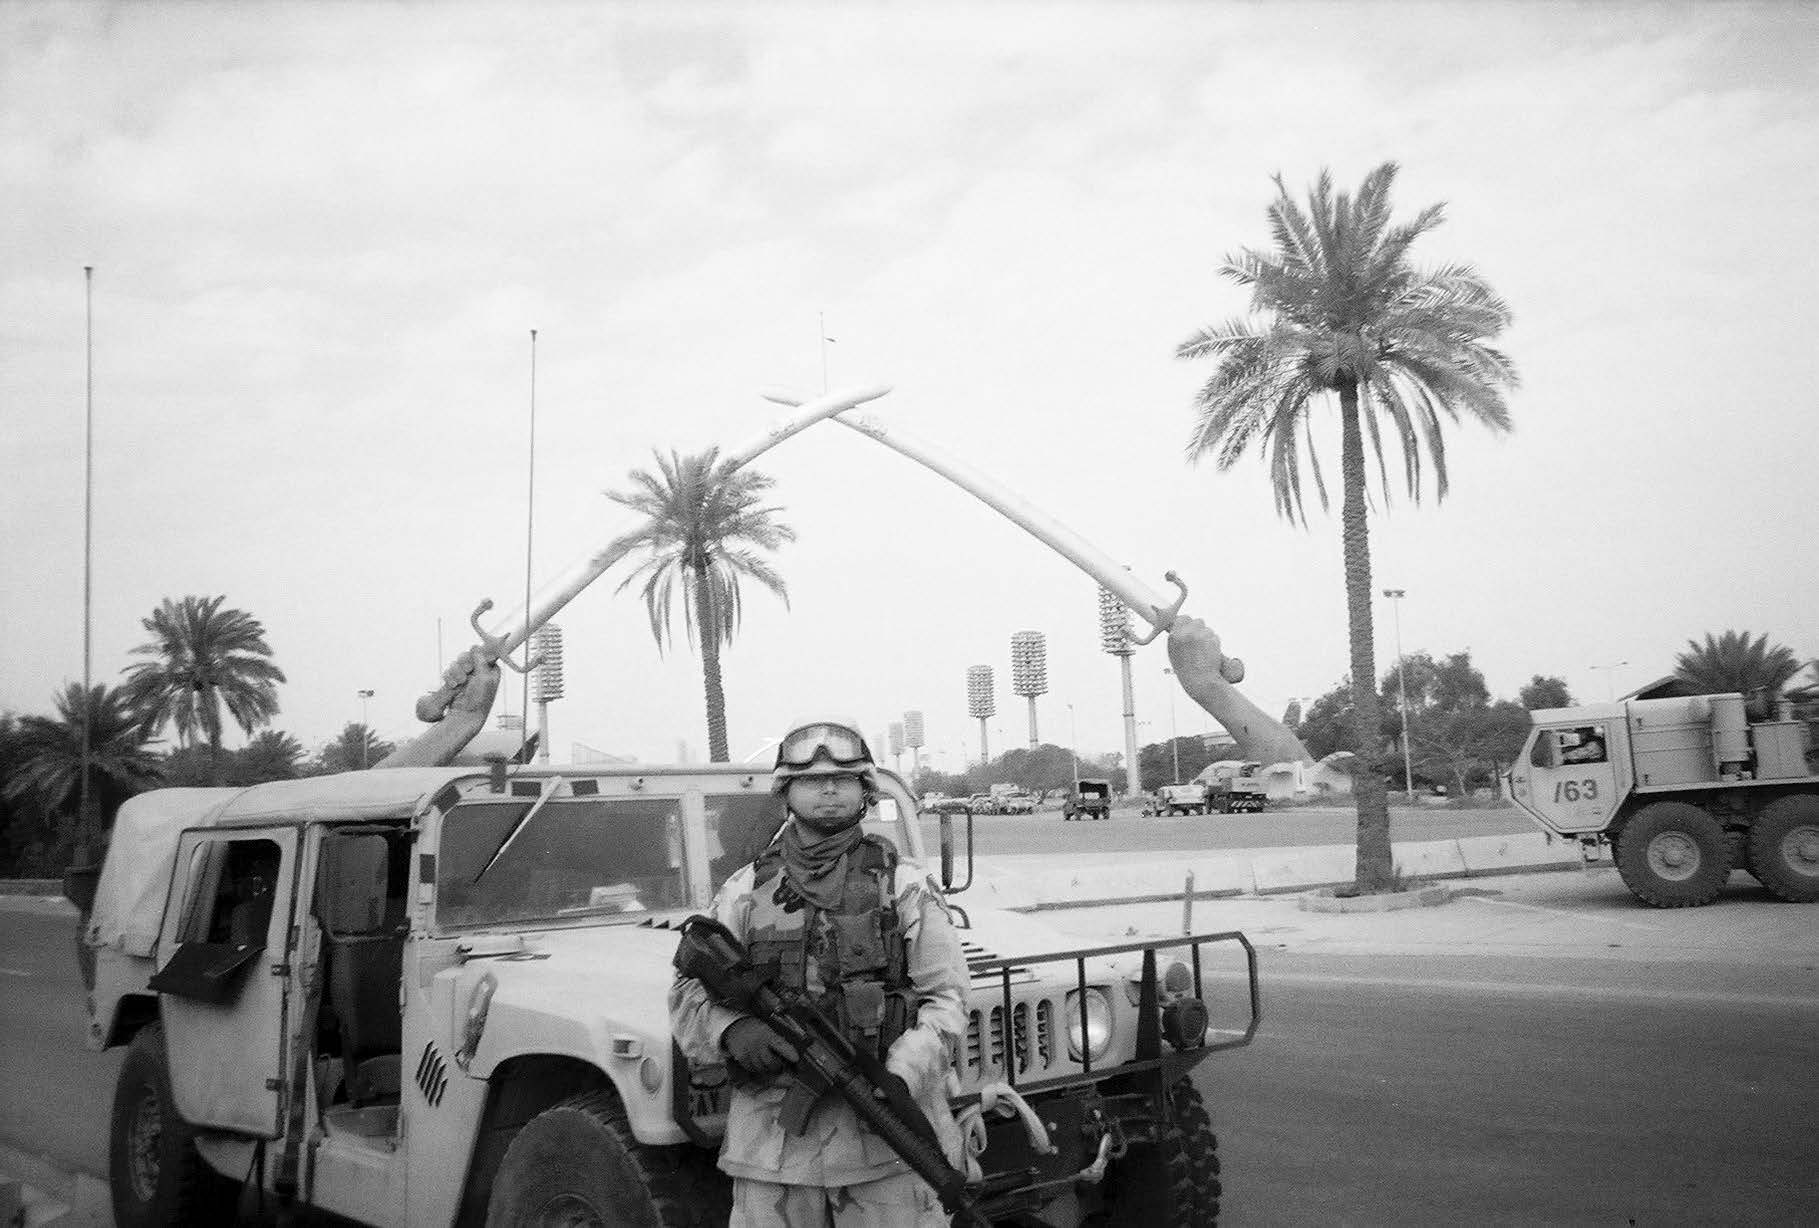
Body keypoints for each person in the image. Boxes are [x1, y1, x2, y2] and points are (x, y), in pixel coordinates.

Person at [670, 717, 970, 1227]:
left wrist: (904, 1070)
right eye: (810, 780)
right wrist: (733, 1031)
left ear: (865, 793)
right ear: (786, 792)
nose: (828, 788)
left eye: (844, 778)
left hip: (886, 1150)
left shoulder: (904, 887)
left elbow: (948, 998)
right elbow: (686, 995)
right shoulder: (745, 891)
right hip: (773, 1154)